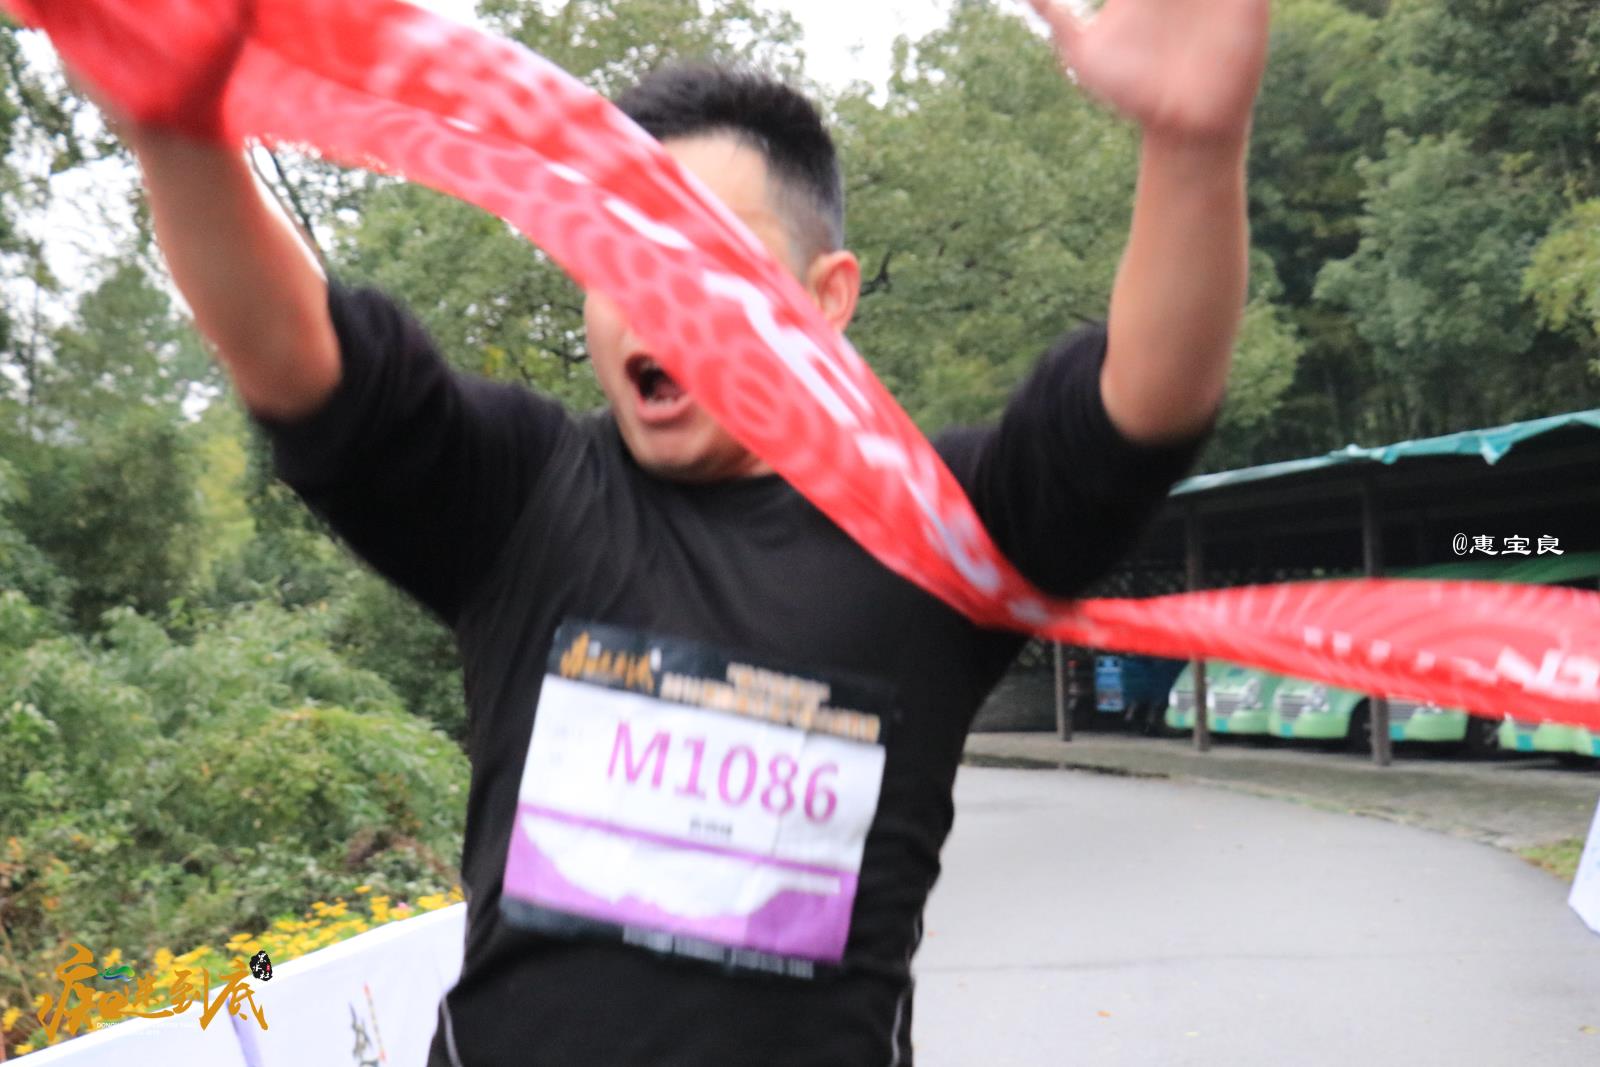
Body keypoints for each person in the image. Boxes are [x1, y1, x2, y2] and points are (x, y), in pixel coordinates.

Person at [80, 0, 1268, 1061]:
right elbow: (302, 358)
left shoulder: (938, 527)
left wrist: (1193, 148)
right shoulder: (518, 497)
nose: (657, 297)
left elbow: (1140, 405)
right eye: (620, 255)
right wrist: (178, 132)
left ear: (827, 297)